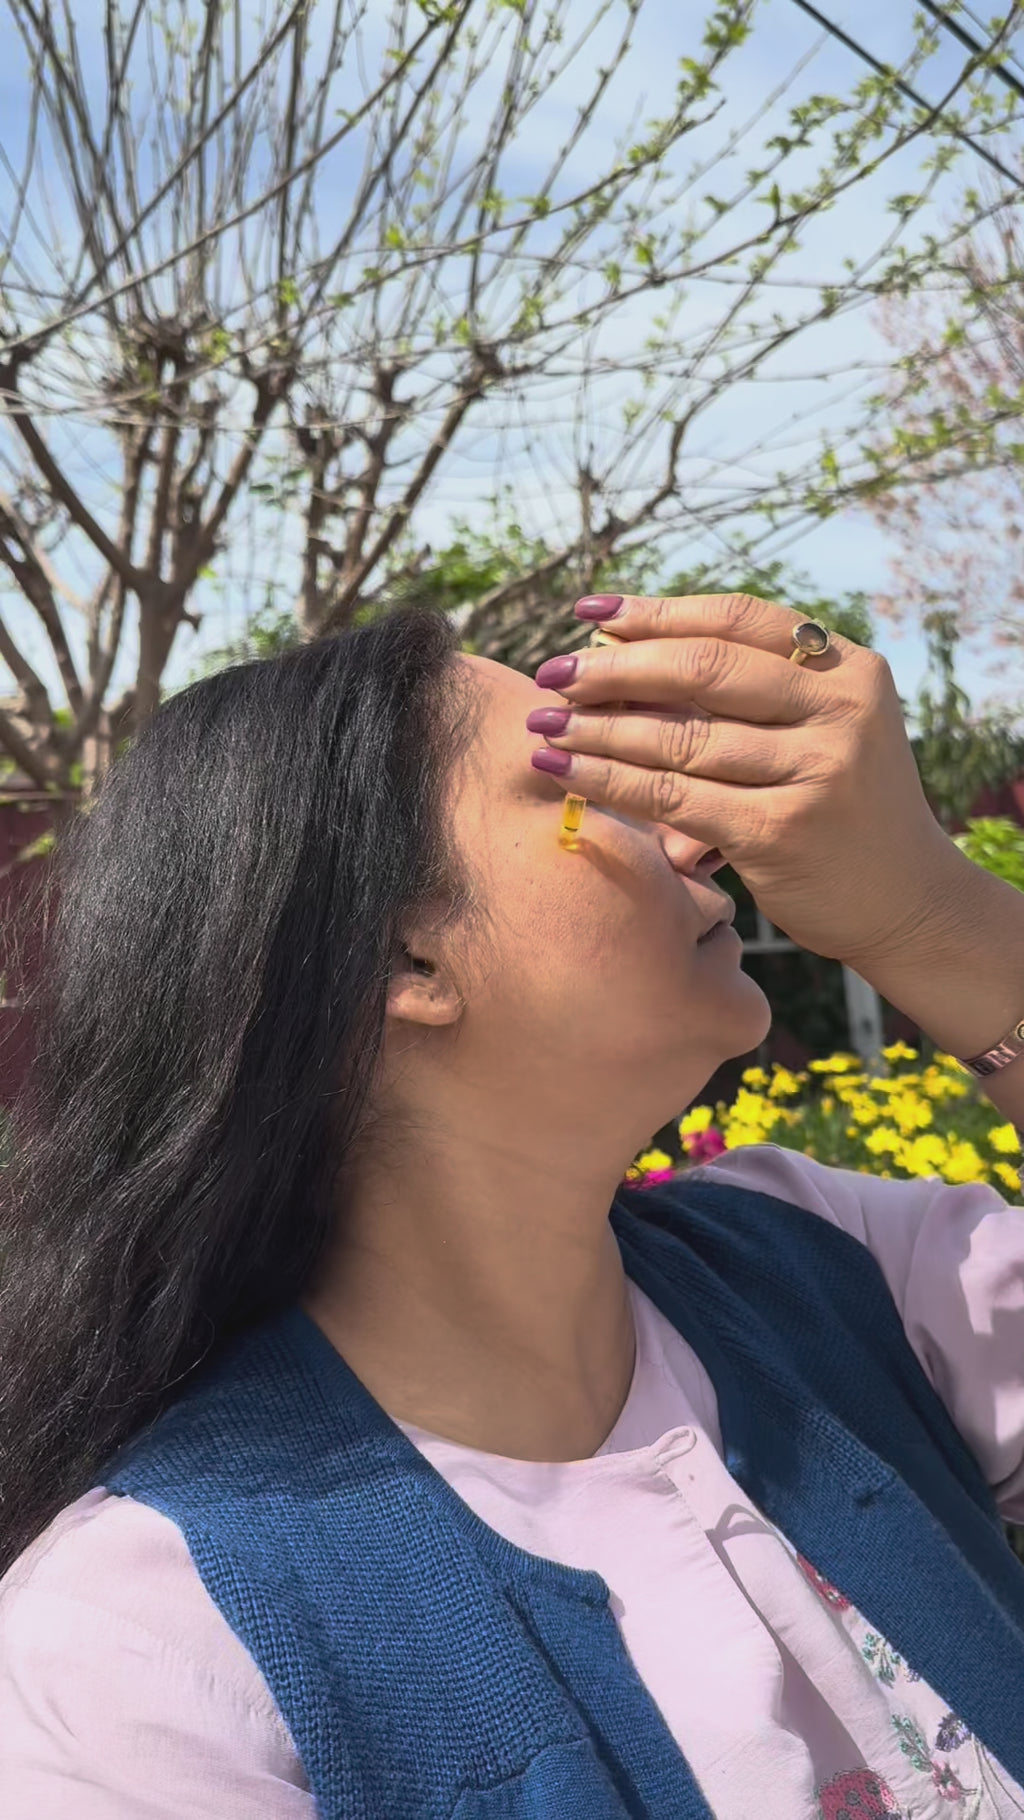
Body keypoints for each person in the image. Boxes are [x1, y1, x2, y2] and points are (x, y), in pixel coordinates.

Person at [1, 591, 1023, 1820]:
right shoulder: (142, 1649)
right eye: (583, 778)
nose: (694, 836)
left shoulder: (838, 1264)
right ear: (404, 961)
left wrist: (935, 916)